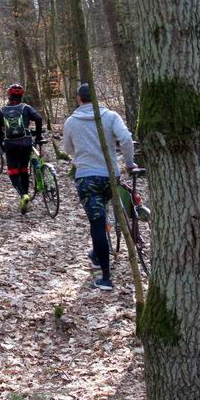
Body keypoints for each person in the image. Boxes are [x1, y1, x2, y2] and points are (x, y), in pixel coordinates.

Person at [63, 83, 136, 291]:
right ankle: (97, 254)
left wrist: (82, 150)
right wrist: (129, 163)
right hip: (109, 177)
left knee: (97, 223)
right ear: (96, 99)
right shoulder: (111, 116)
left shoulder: (71, 122)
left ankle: (105, 277)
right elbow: (126, 139)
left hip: (86, 179)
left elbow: (67, 149)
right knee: (103, 217)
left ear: (79, 99)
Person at [0, 84, 43, 213]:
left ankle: (23, 195)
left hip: (10, 144)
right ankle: (26, 199)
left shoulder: (2, 111)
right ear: (21, 96)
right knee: (24, 170)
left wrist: (1, 146)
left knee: (13, 172)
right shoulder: (26, 108)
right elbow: (38, 118)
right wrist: (37, 137)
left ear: (9, 96)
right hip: (25, 143)